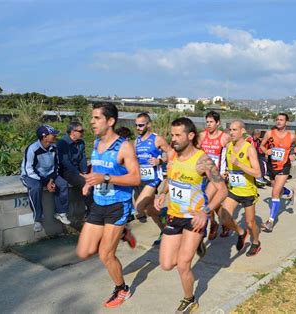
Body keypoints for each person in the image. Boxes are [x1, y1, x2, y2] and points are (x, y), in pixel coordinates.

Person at [154, 117, 227, 313]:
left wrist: (206, 211)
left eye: (178, 135)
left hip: (195, 218)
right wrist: (162, 193)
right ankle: (196, 244)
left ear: (191, 136)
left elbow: (222, 189)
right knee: (167, 264)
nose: (173, 138)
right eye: (172, 134)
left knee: (182, 264)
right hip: (173, 215)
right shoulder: (172, 157)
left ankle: (190, 299)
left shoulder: (202, 160)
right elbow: (171, 179)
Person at [76, 103, 141, 308]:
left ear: (110, 121)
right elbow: (97, 166)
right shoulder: (96, 143)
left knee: (105, 254)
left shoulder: (124, 146)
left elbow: (136, 178)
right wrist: (89, 183)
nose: (91, 122)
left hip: (117, 206)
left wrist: (105, 177)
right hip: (98, 203)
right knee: (84, 250)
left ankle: (122, 289)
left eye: (96, 118)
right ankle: (122, 233)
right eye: (92, 118)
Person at [220, 120, 262, 256]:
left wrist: (238, 163)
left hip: (248, 191)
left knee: (250, 223)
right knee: (224, 217)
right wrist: (228, 172)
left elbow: (258, 173)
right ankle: (241, 232)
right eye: (230, 130)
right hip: (233, 190)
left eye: (234, 130)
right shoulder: (228, 146)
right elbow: (230, 166)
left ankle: (256, 242)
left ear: (242, 131)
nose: (231, 133)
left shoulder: (249, 148)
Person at [20, 124, 71, 232]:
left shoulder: (54, 148)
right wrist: (45, 182)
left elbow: (56, 166)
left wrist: (51, 180)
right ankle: (37, 219)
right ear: (44, 137)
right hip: (31, 175)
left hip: (49, 175)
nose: (55, 136)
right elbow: (29, 169)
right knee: (35, 188)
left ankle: (60, 213)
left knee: (63, 184)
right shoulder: (33, 149)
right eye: (53, 134)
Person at [133, 113, 171, 245]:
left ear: (148, 125)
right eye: (136, 125)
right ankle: (164, 229)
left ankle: (164, 216)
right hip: (142, 179)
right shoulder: (136, 141)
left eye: (141, 125)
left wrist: (160, 160)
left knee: (139, 206)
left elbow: (171, 154)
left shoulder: (157, 139)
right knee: (149, 210)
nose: (138, 127)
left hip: (154, 178)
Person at [259, 113, 296, 232]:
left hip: (284, 167)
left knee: (275, 192)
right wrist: (266, 151)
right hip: (272, 166)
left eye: (281, 120)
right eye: (277, 119)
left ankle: (270, 222)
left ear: (286, 122)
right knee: (278, 189)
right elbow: (261, 146)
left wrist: (294, 154)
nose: (278, 122)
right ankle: (289, 193)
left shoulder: (291, 136)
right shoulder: (269, 133)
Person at [198, 110, 230, 239]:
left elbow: (231, 154)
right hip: (204, 175)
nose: (209, 124)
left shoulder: (224, 137)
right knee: (214, 205)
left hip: (218, 176)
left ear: (218, 123)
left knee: (206, 201)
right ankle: (221, 222)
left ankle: (213, 224)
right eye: (207, 122)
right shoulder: (202, 136)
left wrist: (228, 171)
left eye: (211, 122)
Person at [57, 121, 93, 215]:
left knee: (93, 179)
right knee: (85, 182)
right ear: (73, 132)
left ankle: (96, 209)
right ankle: (92, 211)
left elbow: (82, 158)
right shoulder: (62, 143)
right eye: (81, 131)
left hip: (78, 170)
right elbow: (65, 162)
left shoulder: (80, 143)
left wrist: (85, 172)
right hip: (66, 171)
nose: (83, 133)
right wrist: (79, 174)